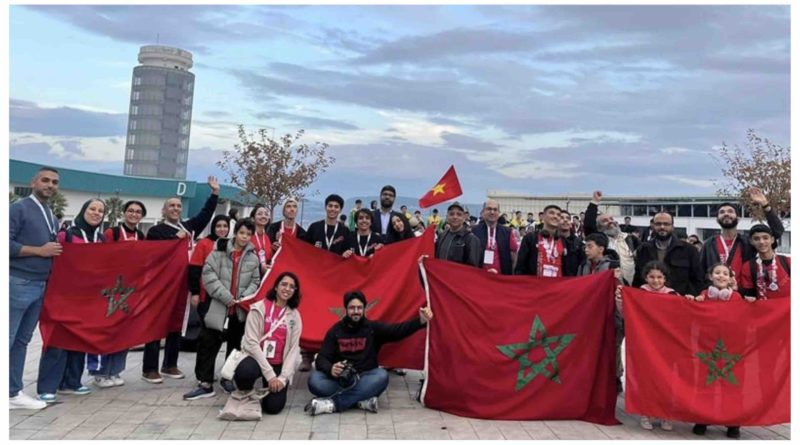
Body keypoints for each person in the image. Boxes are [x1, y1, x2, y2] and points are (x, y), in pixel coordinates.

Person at [142, 176, 220, 384]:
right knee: (157, 324)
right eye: (171, 206)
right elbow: (155, 255)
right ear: (164, 211)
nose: (176, 208)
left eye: (178, 205)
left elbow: (205, 216)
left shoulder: (187, 228)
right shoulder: (156, 231)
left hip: (182, 284)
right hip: (162, 285)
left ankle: (169, 364)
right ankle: (149, 368)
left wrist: (214, 194)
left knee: (178, 323)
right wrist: (173, 240)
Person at [305, 291, 434, 416]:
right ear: (346, 309)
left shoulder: (373, 328)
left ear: (364, 309)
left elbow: (397, 331)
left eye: (359, 308)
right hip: (341, 381)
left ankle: (333, 404)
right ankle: (361, 401)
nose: (356, 311)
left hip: (365, 379)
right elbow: (321, 358)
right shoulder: (335, 331)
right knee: (314, 380)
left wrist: (420, 321)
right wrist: (331, 368)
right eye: (352, 308)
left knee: (381, 376)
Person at [37, 198, 107, 402]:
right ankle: (48, 386)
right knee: (57, 342)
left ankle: (72, 382)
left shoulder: (101, 239)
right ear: (83, 210)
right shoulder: (66, 235)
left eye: (100, 211)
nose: (96, 213)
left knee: (80, 340)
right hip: (63, 297)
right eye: (92, 209)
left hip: (88, 300)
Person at [184, 218, 261, 400]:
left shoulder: (253, 257)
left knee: (235, 347)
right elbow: (208, 275)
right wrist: (226, 297)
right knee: (208, 344)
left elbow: (256, 281)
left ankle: (227, 378)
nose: (245, 237)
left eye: (249, 234)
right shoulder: (217, 252)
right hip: (218, 307)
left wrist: (243, 297)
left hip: (239, 310)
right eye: (242, 233)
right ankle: (205, 382)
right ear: (236, 232)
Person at [10, 167, 63, 410]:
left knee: (21, 341)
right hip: (18, 281)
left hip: (40, 284)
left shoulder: (50, 214)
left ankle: (12, 392)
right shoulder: (19, 208)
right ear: (33, 182)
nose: (50, 185)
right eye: (45, 180)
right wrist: (38, 251)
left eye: (54, 182)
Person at [89, 200, 148, 389]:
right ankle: (99, 372)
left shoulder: (141, 235)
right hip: (111, 290)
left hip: (131, 291)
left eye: (138, 212)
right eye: (130, 211)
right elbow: (102, 257)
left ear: (141, 216)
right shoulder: (112, 233)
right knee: (107, 331)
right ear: (124, 213)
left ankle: (115, 371)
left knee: (124, 333)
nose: (134, 214)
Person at [689, 262, 751, 440]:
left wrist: (751, 303)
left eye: (725, 273)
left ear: (731, 278)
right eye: (717, 272)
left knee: (733, 386)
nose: (721, 276)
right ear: (710, 276)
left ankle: (733, 422)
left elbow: (746, 319)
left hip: (732, 348)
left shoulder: (737, 298)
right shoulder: (703, 295)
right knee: (704, 384)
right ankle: (702, 418)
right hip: (707, 347)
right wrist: (694, 301)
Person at [231, 272, 303, 415]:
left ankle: (266, 392)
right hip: (256, 360)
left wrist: (282, 378)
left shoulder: (294, 315)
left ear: (294, 291)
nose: (287, 289)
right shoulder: (258, 308)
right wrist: (270, 375)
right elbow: (251, 343)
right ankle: (247, 391)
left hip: (278, 363)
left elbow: (293, 350)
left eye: (291, 287)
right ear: (276, 287)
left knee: (273, 408)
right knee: (245, 373)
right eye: (284, 284)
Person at [699, 188, 784, 285]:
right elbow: (700, 272)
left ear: (738, 218)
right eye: (722, 212)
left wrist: (765, 205)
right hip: (716, 296)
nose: (726, 214)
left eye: (730, 211)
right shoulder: (709, 244)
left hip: (745, 296)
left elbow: (778, 232)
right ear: (717, 219)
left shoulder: (748, 242)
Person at [633, 212, 704, 296]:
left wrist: (691, 298)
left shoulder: (689, 250)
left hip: (679, 302)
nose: (662, 227)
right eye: (658, 224)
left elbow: (698, 279)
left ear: (673, 226)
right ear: (653, 226)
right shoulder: (643, 249)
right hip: (650, 302)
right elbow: (638, 280)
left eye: (666, 224)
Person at [584, 191, 639, 285]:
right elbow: (588, 224)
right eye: (605, 221)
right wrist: (594, 202)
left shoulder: (631, 239)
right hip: (606, 286)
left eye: (611, 219)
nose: (610, 222)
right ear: (599, 227)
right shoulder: (599, 240)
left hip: (629, 287)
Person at [515, 205, 582, 277]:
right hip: (534, 286)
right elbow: (520, 267)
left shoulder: (565, 243)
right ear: (543, 217)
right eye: (551, 213)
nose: (555, 216)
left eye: (558, 215)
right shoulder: (530, 238)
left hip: (558, 286)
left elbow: (569, 270)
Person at [738, 224, 790, 300]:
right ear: (751, 242)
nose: (761, 242)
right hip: (764, 310)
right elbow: (749, 294)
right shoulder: (748, 267)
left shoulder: (787, 261)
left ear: (772, 240)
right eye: (756, 239)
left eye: (765, 238)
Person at [472, 199, 518, 275]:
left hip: (501, 279)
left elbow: (514, 259)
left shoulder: (508, 232)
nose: (492, 212)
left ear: (499, 213)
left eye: (495, 209)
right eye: (489, 209)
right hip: (479, 278)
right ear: (483, 212)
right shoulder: (474, 231)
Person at [435, 202, 481, 268]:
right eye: (451, 214)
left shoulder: (471, 239)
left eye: (459, 214)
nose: (455, 217)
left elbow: (473, 269)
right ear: (447, 217)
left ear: (464, 217)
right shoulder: (442, 236)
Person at [248, 204, 273, 275]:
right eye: (259, 214)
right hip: (250, 276)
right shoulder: (248, 236)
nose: (263, 216)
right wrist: (260, 268)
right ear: (253, 218)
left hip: (265, 276)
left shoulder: (267, 238)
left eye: (266, 214)